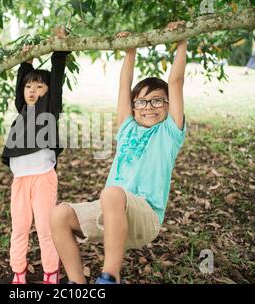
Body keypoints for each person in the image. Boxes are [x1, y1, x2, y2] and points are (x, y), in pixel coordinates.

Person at [50, 22, 187, 284]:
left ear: (168, 106)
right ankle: (77, 284)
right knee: (59, 215)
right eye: (141, 102)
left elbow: (176, 81)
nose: (148, 107)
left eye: (157, 100)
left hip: (145, 216)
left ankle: (110, 277)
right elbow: (124, 88)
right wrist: (129, 52)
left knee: (111, 193)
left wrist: (181, 41)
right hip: (111, 211)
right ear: (133, 108)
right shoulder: (127, 128)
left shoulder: (168, 133)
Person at [1, 25, 70, 284]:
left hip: (42, 179)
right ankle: (18, 272)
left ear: (48, 91)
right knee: (19, 228)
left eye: (39, 86)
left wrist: (59, 49)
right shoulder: (22, 109)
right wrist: (26, 60)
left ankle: (51, 273)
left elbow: (58, 77)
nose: (32, 90)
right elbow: (22, 80)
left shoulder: (49, 109)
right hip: (20, 181)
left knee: (45, 229)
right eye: (29, 86)